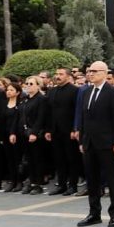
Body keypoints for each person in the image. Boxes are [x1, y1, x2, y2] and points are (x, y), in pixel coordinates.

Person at [76, 61, 114, 227]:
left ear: (105, 73)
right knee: (92, 180)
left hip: (107, 143)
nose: (90, 73)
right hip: (89, 143)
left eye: (95, 71)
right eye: (89, 71)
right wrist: (82, 139)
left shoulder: (112, 92)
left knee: (112, 180)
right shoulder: (86, 91)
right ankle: (94, 213)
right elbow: (84, 118)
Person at [45, 68, 80, 196]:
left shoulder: (75, 91)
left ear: (68, 76)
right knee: (59, 159)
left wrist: (74, 129)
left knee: (72, 159)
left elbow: (77, 111)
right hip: (55, 131)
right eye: (56, 74)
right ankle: (61, 184)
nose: (58, 76)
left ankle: (73, 185)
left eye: (61, 74)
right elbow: (49, 112)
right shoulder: (52, 91)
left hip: (69, 130)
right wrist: (48, 129)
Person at [19, 76, 48, 195]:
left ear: (38, 85)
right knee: (29, 159)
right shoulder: (25, 99)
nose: (28, 85)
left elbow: (41, 118)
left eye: (31, 84)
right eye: (27, 83)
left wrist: (34, 133)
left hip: (36, 134)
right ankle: (31, 181)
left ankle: (38, 184)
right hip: (25, 133)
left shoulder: (41, 99)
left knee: (38, 159)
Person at [0, 83, 24, 192]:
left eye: (11, 90)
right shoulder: (3, 103)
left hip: (16, 135)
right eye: (7, 90)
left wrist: (14, 133)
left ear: (18, 92)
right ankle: (13, 181)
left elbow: (18, 121)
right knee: (9, 159)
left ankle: (20, 182)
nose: (8, 92)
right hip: (5, 135)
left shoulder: (20, 104)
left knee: (17, 159)